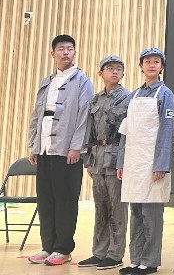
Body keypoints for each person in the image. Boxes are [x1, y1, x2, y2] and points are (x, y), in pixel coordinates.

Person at [27, 34, 94, 266]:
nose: (65, 52)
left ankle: (63, 248)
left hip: (67, 152)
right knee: (46, 200)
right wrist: (34, 144)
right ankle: (48, 246)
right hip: (45, 149)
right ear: (52, 53)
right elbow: (37, 115)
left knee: (65, 200)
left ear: (74, 53)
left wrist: (77, 146)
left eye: (69, 49)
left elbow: (84, 116)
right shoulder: (46, 82)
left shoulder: (82, 81)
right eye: (61, 49)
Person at [117, 48, 174, 275]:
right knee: (136, 213)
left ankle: (149, 262)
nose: (151, 65)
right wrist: (121, 162)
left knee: (151, 215)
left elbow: (166, 131)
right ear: (141, 66)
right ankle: (135, 259)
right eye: (147, 61)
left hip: (152, 163)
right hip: (133, 163)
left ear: (162, 67)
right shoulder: (133, 96)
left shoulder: (165, 94)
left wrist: (161, 164)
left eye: (156, 61)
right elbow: (125, 131)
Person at [79, 55, 130, 270]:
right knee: (100, 208)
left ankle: (115, 254)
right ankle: (99, 252)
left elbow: (128, 133)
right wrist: (88, 160)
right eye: (110, 68)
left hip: (116, 158)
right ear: (101, 73)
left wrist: (123, 162)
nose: (115, 72)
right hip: (97, 158)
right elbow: (89, 131)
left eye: (118, 68)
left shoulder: (128, 98)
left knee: (117, 208)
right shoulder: (95, 100)